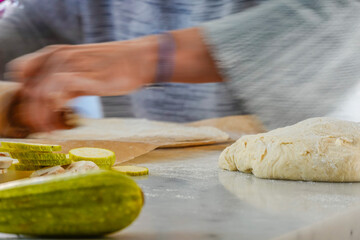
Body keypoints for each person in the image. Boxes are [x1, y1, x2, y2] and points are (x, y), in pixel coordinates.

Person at [2, 0, 360, 133]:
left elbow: (340, 15)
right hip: (158, 187)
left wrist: (153, 56)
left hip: (307, 192)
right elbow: (37, 23)